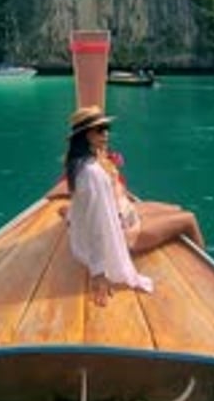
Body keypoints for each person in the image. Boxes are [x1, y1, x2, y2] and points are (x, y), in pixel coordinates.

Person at [63, 105, 205, 306]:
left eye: (107, 128)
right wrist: (98, 272)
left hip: (121, 218)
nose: (106, 134)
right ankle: (203, 281)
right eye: (100, 130)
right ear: (86, 135)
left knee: (176, 209)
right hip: (122, 235)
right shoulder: (91, 173)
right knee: (188, 219)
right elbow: (97, 225)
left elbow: (83, 209)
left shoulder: (79, 164)